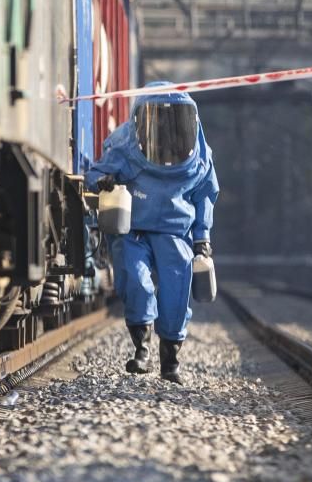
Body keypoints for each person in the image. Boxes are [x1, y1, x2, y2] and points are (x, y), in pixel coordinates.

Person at [85, 82, 219, 384]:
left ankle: (170, 361)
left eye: (173, 123)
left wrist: (202, 239)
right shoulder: (124, 145)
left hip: (174, 232)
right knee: (137, 281)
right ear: (141, 121)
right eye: (159, 121)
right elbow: (94, 174)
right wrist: (104, 181)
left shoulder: (199, 157)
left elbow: (205, 197)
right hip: (133, 229)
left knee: (176, 292)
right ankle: (141, 349)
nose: (167, 131)